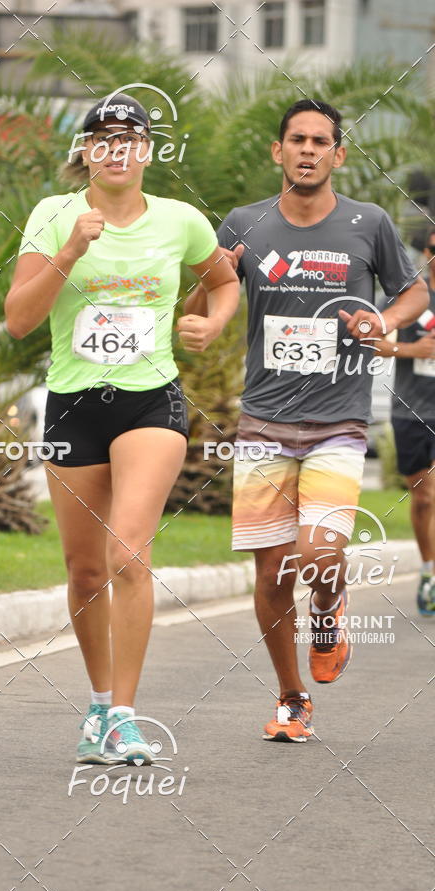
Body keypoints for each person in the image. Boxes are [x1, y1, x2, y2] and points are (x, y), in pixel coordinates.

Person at [4, 93, 240, 763]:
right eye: (102, 138)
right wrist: (71, 251)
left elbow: (223, 282)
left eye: (128, 138)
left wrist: (213, 320)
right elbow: (19, 319)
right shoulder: (53, 216)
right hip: (73, 406)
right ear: (85, 152)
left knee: (127, 555)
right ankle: (100, 702)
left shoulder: (181, 220)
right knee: (84, 571)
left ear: (147, 151)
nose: (115, 149)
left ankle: (126, 718)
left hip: (151, 401)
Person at [186, 99, 428, 742]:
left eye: (322, 141)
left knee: (320, 556)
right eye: (297, 139)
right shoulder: (245, 222)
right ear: (278, 151)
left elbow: (415, 290)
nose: (309, 150)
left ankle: (327, 607)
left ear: (338, 154)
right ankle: (292, 697)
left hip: (338, 420)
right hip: (263, 419)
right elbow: (204, 293)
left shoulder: (367, 222)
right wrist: (211, 291)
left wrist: (387, 323)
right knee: (268, 575)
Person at [374, 227, 435, 615]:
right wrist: (410, 348)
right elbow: (370, 337)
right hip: (411, 410)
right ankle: (429, 571)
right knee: (424, 496)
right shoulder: (411, 294)